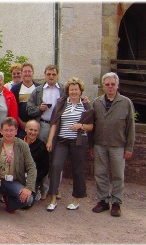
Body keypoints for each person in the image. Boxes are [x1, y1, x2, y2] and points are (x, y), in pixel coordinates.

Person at [90, 72, 135, 217]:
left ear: (117, 85)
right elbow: (92, 125)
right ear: (103, 85)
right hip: (100, 144)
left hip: (118, 145)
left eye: (112, 84)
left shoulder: (126, 102)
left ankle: (116, 203)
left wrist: (129, 147)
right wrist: (91, 145)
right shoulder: (97, 102)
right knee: (100, 174)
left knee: (118, 175)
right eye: (107, 84)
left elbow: (130, 127)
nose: (110, 87)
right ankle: (103, 200)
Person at [45, 77, 94, 211]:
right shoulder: (61, 102)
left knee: (77, 169)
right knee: (55, 166)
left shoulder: (85, 104)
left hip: (78, 141)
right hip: (62, 140)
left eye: (76, 89)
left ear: (80, 91)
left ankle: (76, 200)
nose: (73, 92)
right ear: (68, 90)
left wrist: (80, 125)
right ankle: (53, 199)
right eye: (71, 89)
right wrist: (50, 140)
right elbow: (54, 122)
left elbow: (91, 126)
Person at [0, 117, 37, 221]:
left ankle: (10, 204)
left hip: (13, 181)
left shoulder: (23, 145)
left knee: (29, 200)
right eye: (6, 130)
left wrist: (29, 187)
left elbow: (31, 167)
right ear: (1, 131)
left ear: (16, 131)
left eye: (11, 130)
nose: (8, 133)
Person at [26, 64, 65, 199]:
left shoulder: (64, 90)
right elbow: (29, 109)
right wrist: (39, 108)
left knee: (57, 160)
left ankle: (55, 188)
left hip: (59, 127)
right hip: (43, 126)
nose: (51, 77)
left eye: (54, 74)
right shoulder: (38, 90)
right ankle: (42, 187)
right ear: (45, 75)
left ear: (57, 75)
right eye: (48, 74)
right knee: (42, 158)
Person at [10, 62, 40, 139]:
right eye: (25, 71)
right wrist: (21, 123)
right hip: (21, 126)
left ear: (33, 73)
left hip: (36, 125)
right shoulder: (15, 88)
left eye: (29, 71)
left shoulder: (39, 88)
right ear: (22, 73)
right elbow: (13, 108)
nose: (27, 74)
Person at [24, 120, 49, 201]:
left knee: (27, 202)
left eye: (35, 130)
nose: (33, 132)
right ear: (25, 129)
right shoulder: (18, 142)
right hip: (18, 176)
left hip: (32, 178)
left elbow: (45, 168)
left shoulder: (41, 146)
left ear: (38, 132)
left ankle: (36, 189)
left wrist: (34, 178)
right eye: (31, 130)